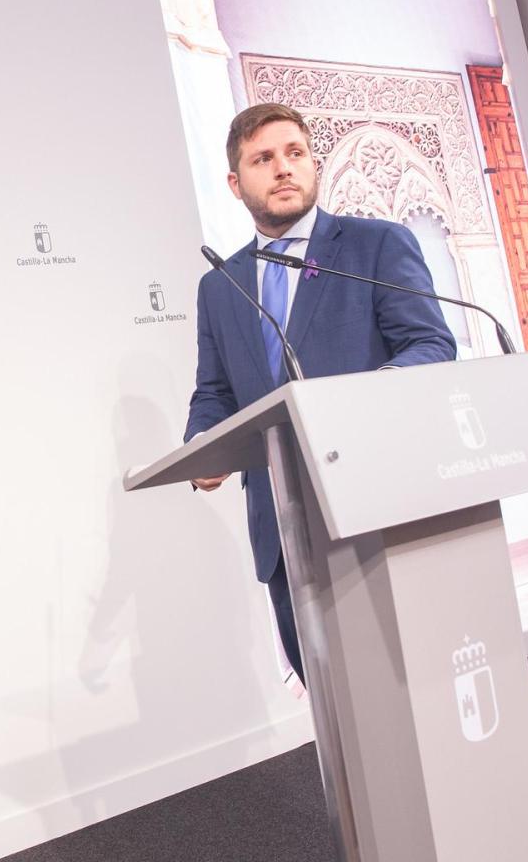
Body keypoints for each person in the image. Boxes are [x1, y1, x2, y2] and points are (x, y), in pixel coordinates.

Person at [185, 103, 456, 683]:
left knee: (410, 691)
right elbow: (214, 392)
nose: (283, 169)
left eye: (295, 154)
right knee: (333, 704)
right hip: (285, 533)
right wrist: (203, 447)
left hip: (376, 504)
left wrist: (365, 401)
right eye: (263, 159)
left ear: (313, 163)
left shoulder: (375, 246)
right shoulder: (221, 284)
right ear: (236, 184)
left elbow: (430, 344)